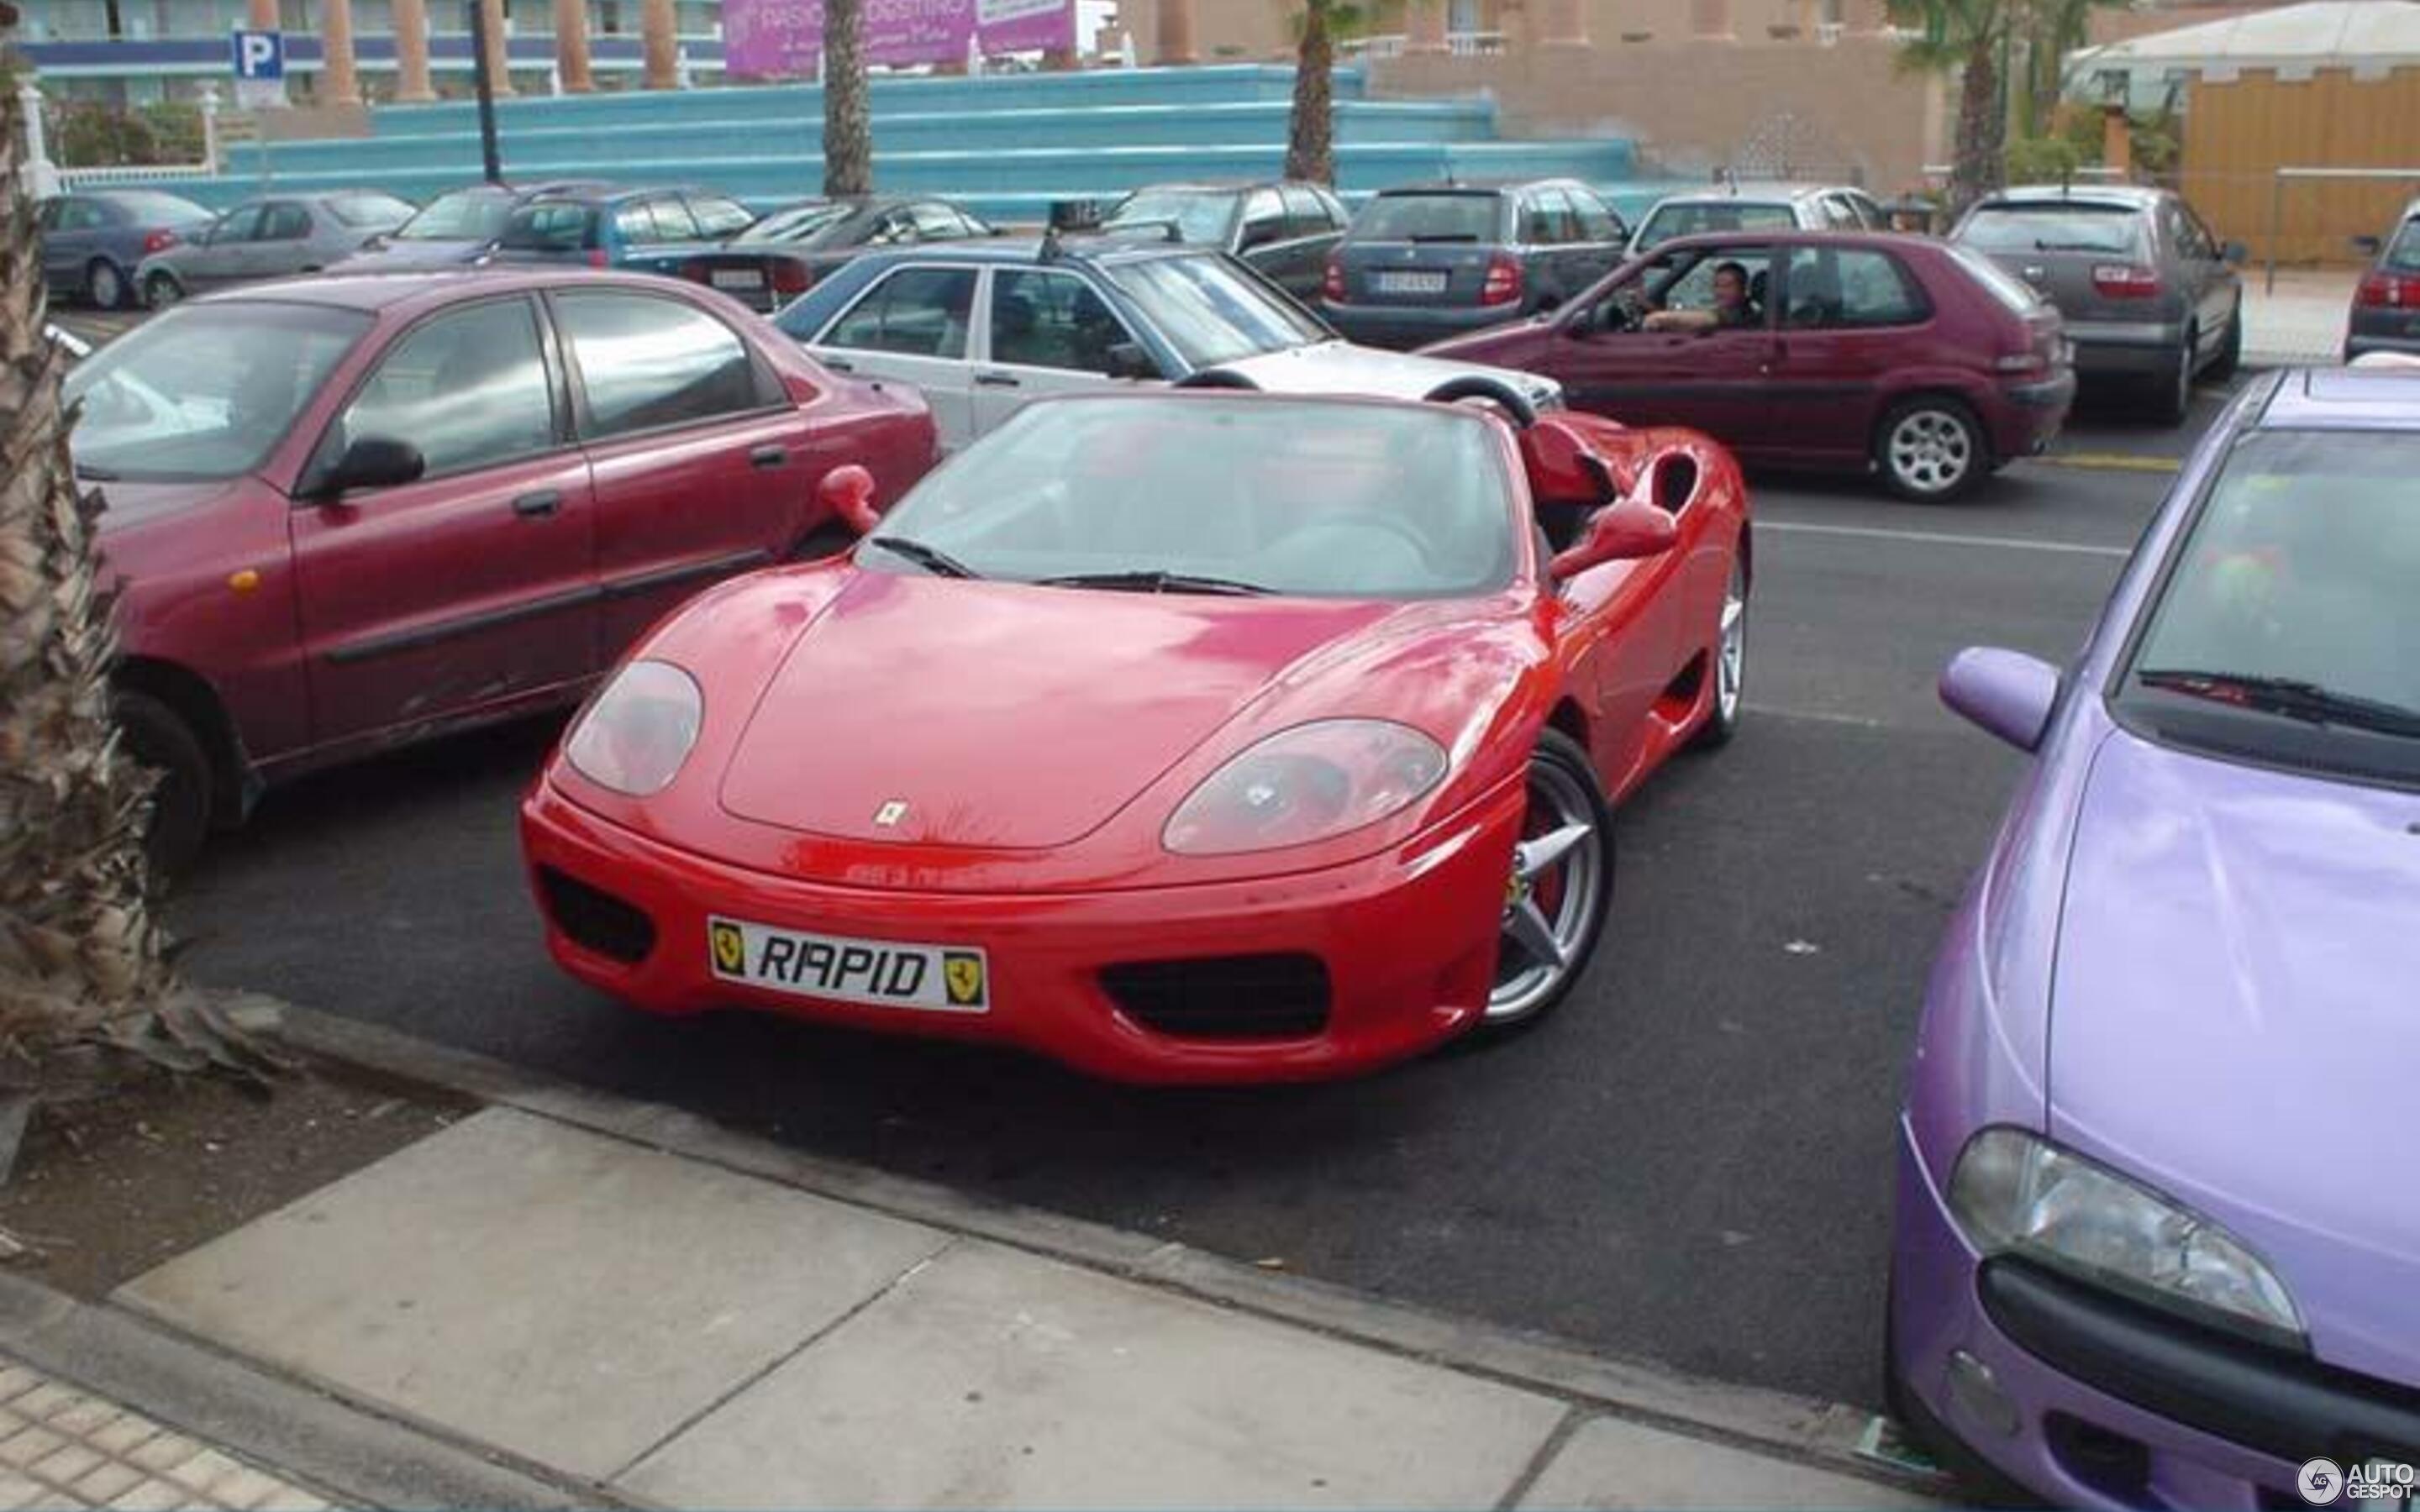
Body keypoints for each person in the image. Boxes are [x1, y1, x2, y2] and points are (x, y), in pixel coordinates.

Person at [1644, 260, 1760, 333]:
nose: (1720, 292)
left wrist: (1659, 318)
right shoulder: (1747, 311)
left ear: (1743, 289)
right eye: (1717, 285)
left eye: (1727, 286)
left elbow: (1708, 319)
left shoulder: (1736, 314)